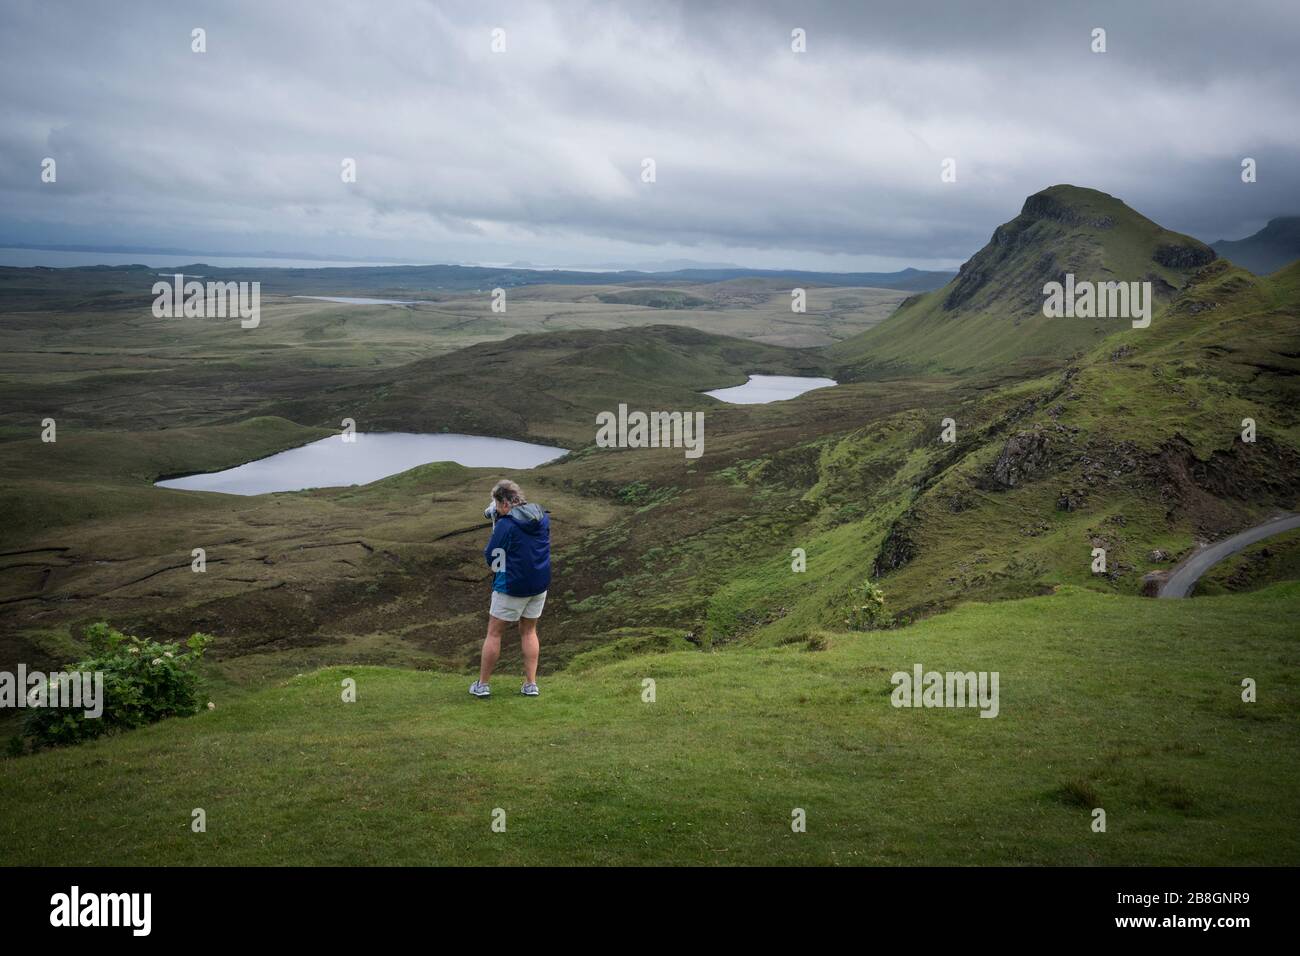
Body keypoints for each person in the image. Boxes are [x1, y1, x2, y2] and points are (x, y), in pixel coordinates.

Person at [469, 479, 550, 698]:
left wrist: (498, 529)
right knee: (529, 631)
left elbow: (492, 558)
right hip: (538, 584)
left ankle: (483, 685)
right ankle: (530, 684)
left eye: (496, 504)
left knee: (494, 633)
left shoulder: (506, 524)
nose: (495, 508)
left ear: (505, 503)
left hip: (511, 586)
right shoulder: (541, 516)